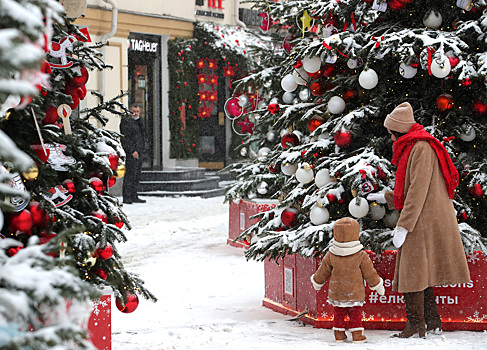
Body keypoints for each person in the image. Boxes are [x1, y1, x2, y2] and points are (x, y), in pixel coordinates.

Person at [368, 102, 470, 338]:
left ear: (400, 130)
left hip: (421, 220)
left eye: (391, 131)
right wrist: (386, 197)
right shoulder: (416, 146)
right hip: (423, 217)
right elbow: (414, 188)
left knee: (412, 273)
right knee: (420, 272)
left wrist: (404, 225)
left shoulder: (421, 148)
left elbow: (417, 191)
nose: (389, 136)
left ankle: (415, 325)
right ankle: (433, 321)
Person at [310, 217, 385, 343]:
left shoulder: (331, 254)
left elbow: (323, 271)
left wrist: (317, 282)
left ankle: (339, 335)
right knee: (355, 314)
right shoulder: (361, 255)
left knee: (338, 313)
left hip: (337, 291)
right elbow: (370, 274)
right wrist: (377, 285)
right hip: (354, 292)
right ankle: (357, 336)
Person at [120, 104, 146, 204]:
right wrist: (132, 150)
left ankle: (134, 195)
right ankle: (127, 196)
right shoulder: (126, 122)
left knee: (137, 175)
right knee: (130, 174)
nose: (135, 113)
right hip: (132, 152)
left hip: (139, 151)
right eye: (133, 111)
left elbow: (142, 135)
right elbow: (126, 138)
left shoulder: (140, 121)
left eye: (137, 111)